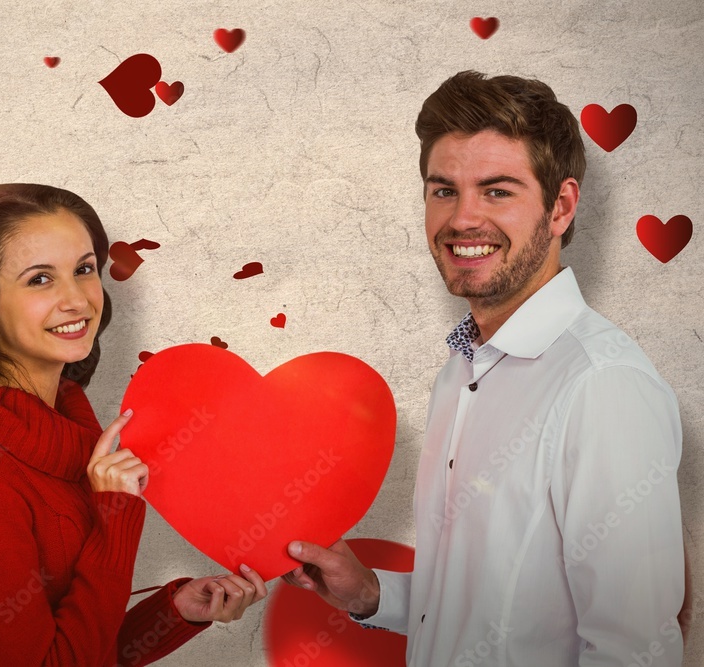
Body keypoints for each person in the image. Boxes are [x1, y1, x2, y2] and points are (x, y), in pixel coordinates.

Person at [282, 71, 687, 665]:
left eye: (498, 191)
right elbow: (490, 608)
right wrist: (370, 593)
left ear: (561, 207)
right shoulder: (462, 368)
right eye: (444, 190)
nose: (463, 219)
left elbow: (634, 651)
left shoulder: (602, 387)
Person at [0, 183, 267, 666]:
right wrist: (114, 518)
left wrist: (174, 611)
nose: (77, 300)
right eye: (40, 279)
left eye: (83, 270)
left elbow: (80, 649)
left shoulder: (69, 421)